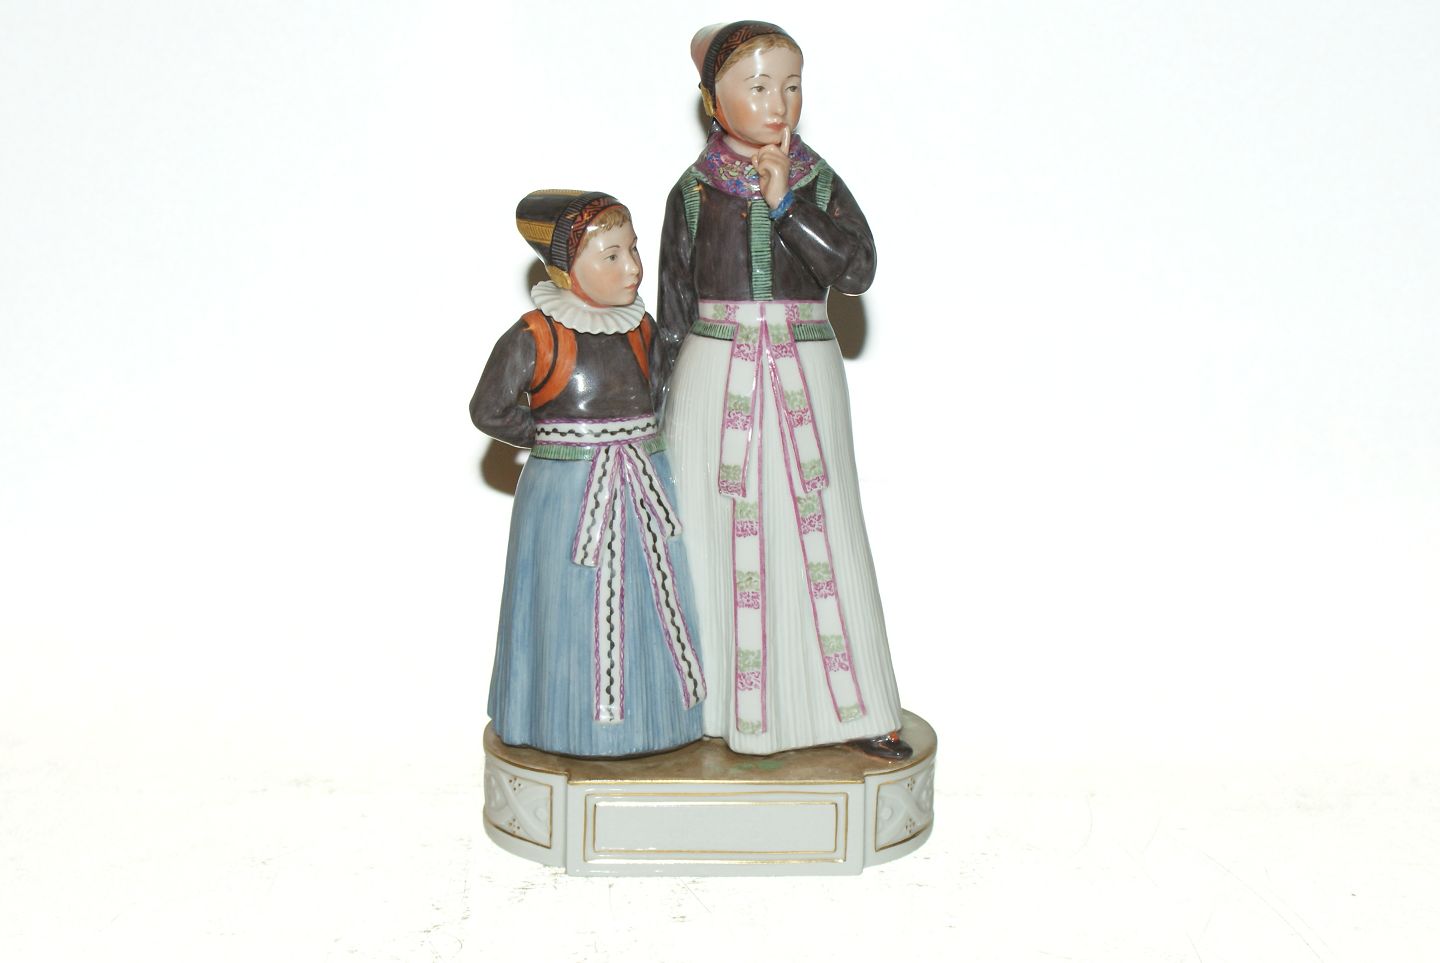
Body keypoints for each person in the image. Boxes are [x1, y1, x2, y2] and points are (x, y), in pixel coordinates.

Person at [657, 22, 909, 758]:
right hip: (714, 380)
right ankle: (706, 711)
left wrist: (789, 206)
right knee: (708, 533)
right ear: (714, 100)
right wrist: (650, 410)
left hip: (802, 373)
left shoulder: (817, 182)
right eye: (759, 87)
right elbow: (673, 307)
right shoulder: (693, 193)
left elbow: (856, 271)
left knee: (822, 526)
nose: (779, 104)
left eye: (791, 86)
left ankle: (854, 705)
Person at [472, 190, 705, 757]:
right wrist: (555, 439)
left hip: (645, 484)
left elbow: (662, 393)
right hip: (569, 494)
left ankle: (660, 721)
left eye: (633, 250)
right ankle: (562, 721)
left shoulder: (641, 329)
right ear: (566, 270)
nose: (633, 268)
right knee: (570, 607)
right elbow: (489, 409)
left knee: (653, 601)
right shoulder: (538, 335)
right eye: (611, 256)